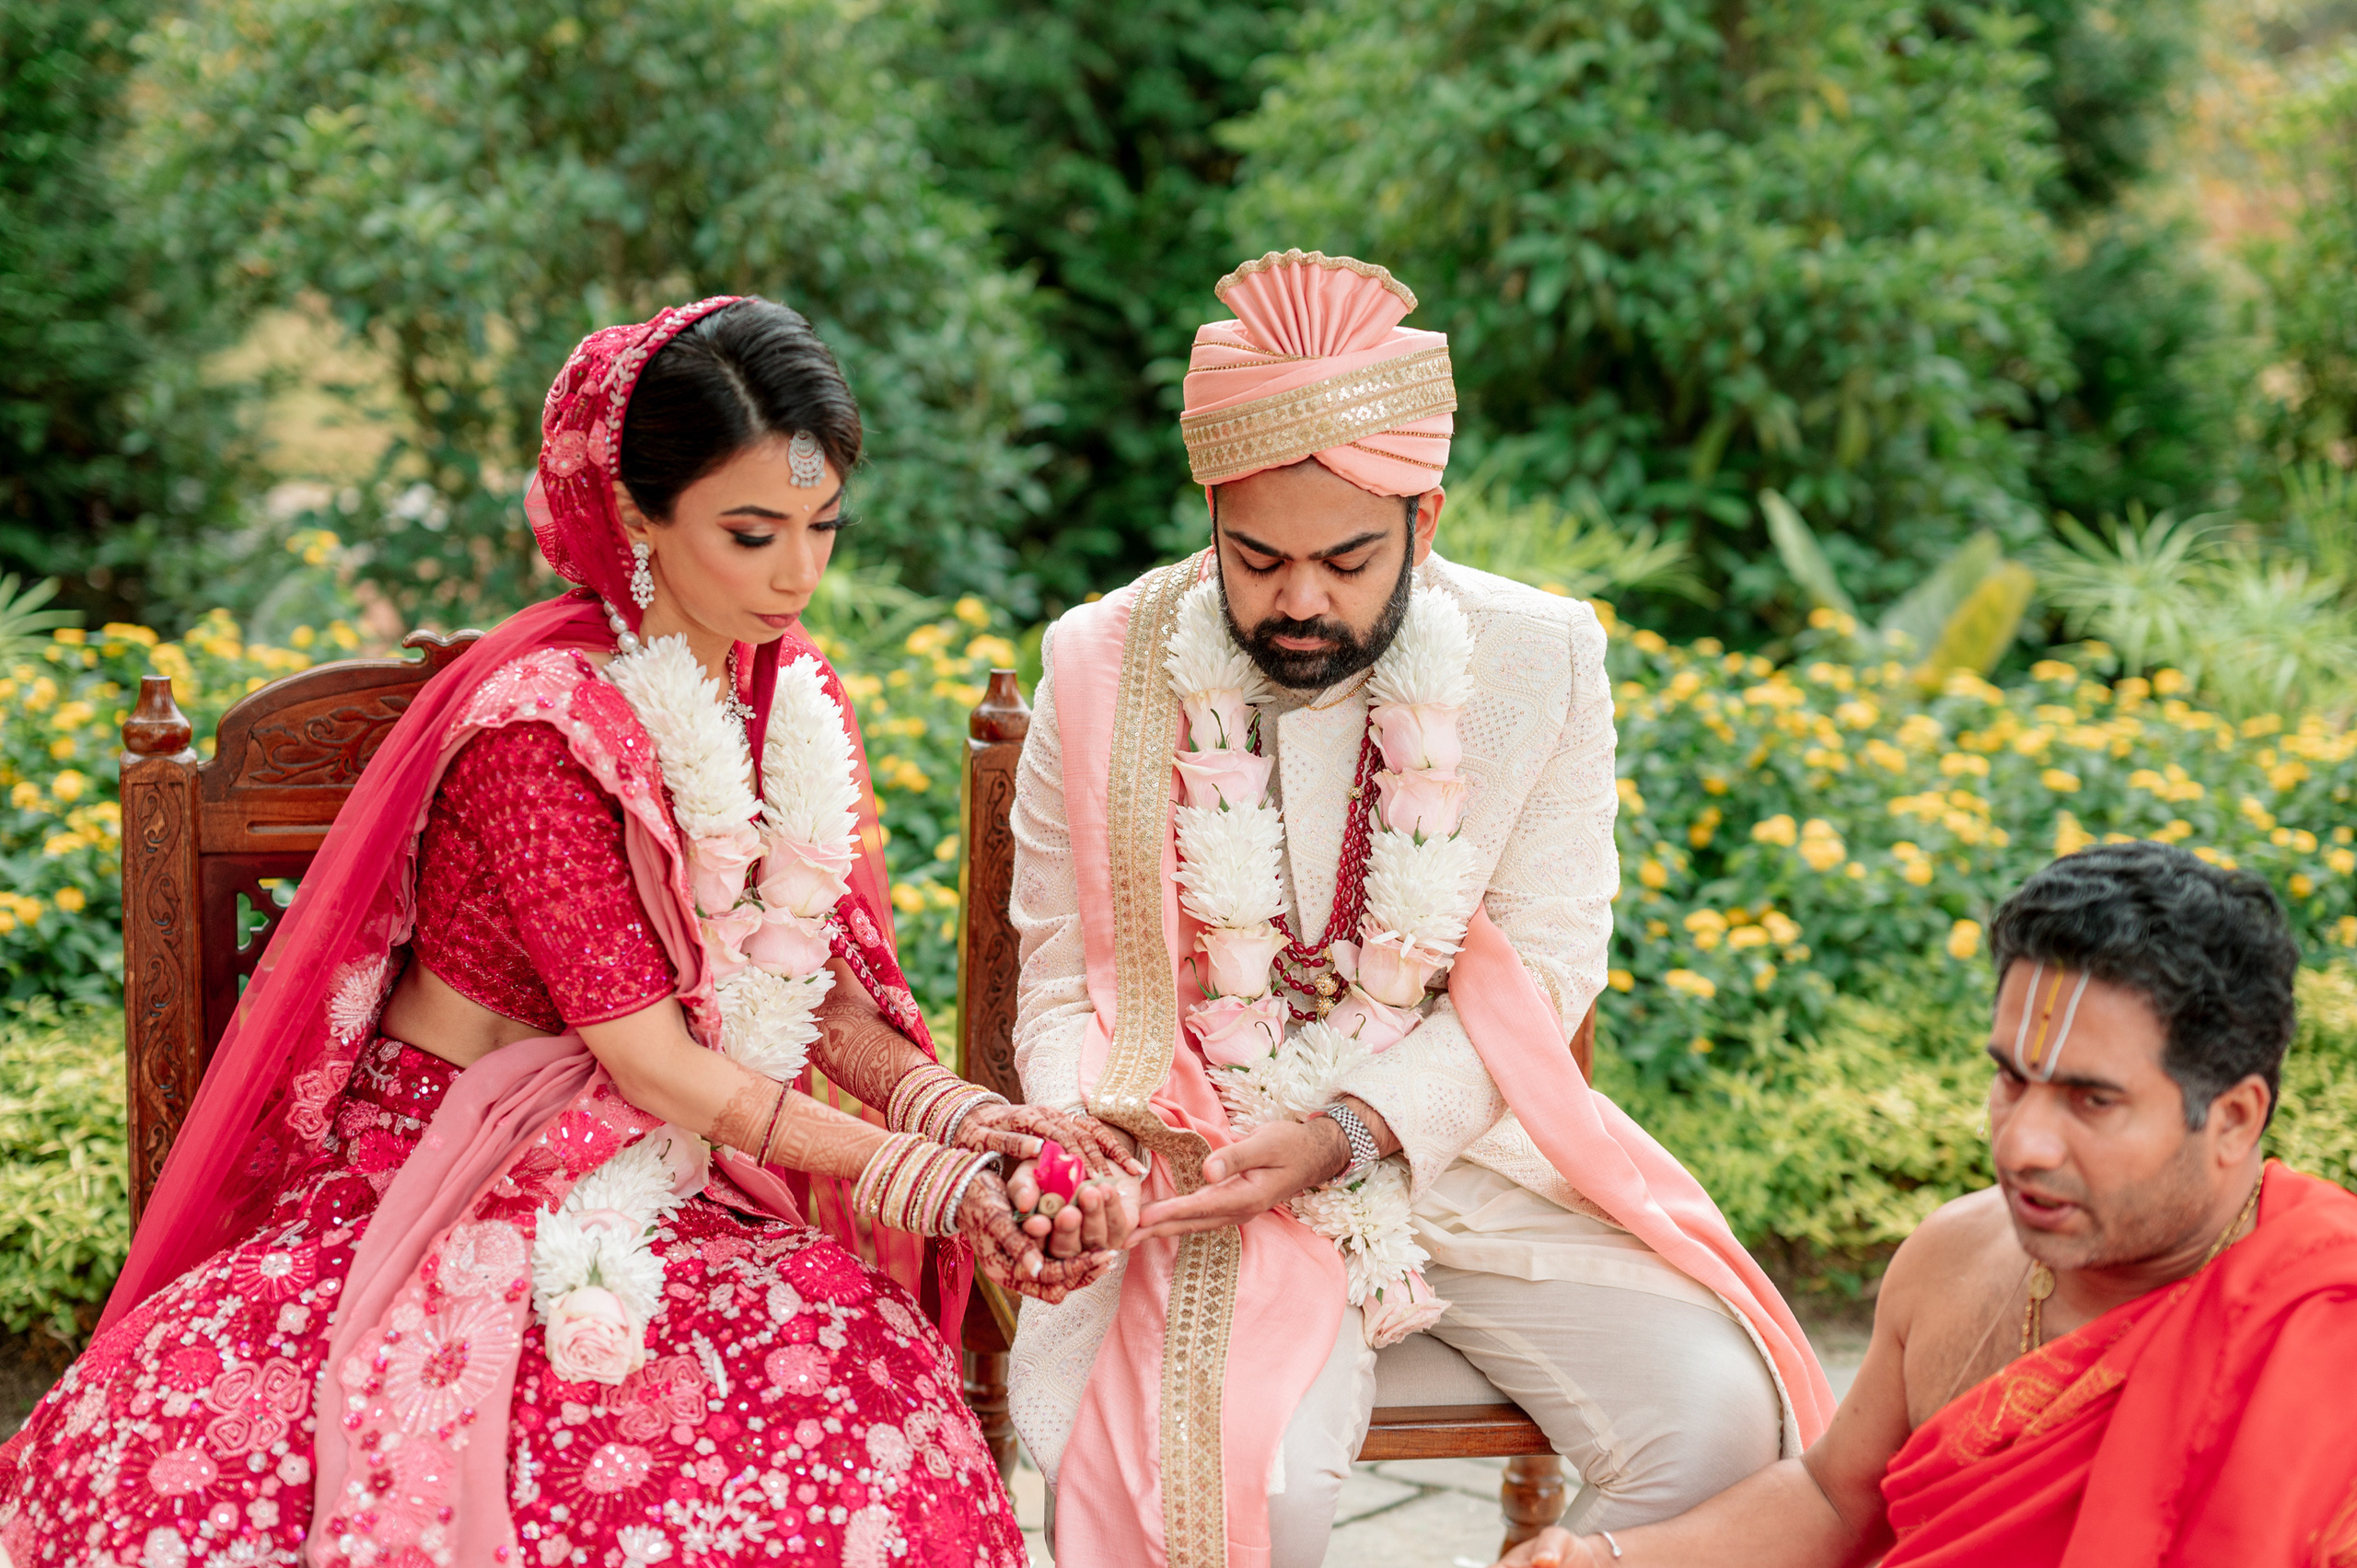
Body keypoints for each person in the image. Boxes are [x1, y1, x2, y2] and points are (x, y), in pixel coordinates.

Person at [0, 296, 1134, 1568]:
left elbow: (799, 980)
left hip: (673, 1160)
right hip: (450, 1166)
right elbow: (652, 1057)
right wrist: (929, 1181)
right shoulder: (542, 729)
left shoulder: (779, 691)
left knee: (859, 1396)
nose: (797, 575)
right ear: (636, 516)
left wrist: (965, 1119)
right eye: (752, 533)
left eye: (823, 525)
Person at [998, 249, 1835, 1568]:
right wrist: (1101, 1140)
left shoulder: (1540, 657)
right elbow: (1060, 979)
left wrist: (1351, 1128)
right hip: (1200, 1165)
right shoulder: (1103, 661)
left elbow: (1548, 962)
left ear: (1424, 520)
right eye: (1256, 557)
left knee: (1720, 1415)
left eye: (1346, 558)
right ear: (1211, 515)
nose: (1300, 599)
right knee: (1248, 1488)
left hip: (1448, 1151)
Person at [1497, 840, 2357, 1568]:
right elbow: (1835, 1498)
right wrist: (1612, 1557)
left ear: (2233, 1118)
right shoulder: (1956, 1256)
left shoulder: (2326, 1332)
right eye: (2010, 1079)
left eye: (2091, 1100)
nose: (2023, 1143)